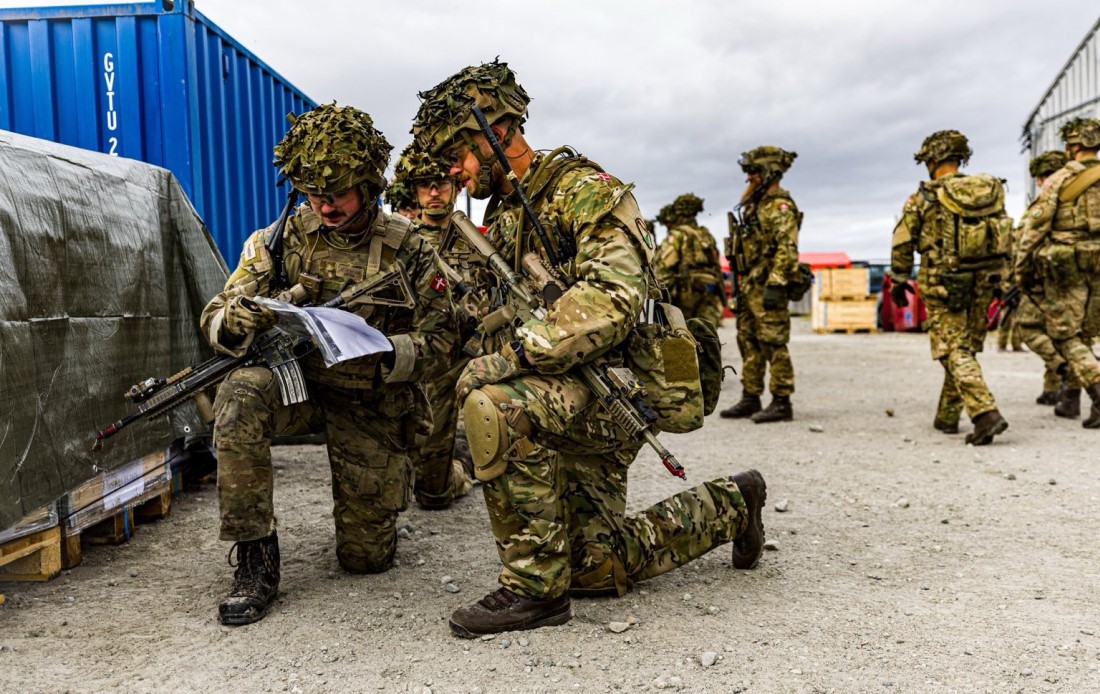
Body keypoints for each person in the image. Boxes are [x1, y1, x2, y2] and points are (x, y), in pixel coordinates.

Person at [411, 60, 767, 639]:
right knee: (597, 569)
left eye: (460, 152)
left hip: (614, 384)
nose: (452, 170)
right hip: (568, 381)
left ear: (498, 133)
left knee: (495, 402)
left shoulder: (584, 190)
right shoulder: (505, 215)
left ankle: (533, 591)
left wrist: (506, 360)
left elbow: (612, 300)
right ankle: (733, 503)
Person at [201, 104, 457, 625]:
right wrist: (239, 318)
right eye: (314, 193)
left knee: (366, 561)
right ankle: (255, 557)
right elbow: (215, 314)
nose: (325, 205)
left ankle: (450, 476)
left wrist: (388, 355)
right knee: (240, 394)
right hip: (298, 389)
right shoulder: (280, 240)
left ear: (368, 185)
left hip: (369, 397)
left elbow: (445, 339)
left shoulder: (409, 249)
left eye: (337, 192)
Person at [1013, 117, 1100, 428]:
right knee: (1086, 332)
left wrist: (1022, 268)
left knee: (1065, 334)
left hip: (1065, 265)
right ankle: (1070, 401)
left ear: (1072, 146)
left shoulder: (1060, 178)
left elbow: (1035, 227)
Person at [889, 130, 1011, 445]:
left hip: (943, 283)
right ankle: (946, 417)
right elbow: (1005, 238)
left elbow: (902, 241)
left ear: (931, 160)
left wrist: (900, 280)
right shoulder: (988, 192)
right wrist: (1005, 281)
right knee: (964, 347)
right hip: (985, 281)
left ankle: (985, 414)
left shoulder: (925, 196)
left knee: (953, 349)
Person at [393, 144, 480, 509]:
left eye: (441, 183)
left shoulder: (481, 242)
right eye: (424, 185)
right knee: (428, 492)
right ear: (413, 190)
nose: (433, 193)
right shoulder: (399, 243)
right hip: (416, 367)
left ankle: (467, 461)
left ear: (456, 186)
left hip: (466, 362)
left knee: (433, 496)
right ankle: (456, 458)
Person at [719, 145, 801, 423]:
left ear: (769, 172)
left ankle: (781, 401)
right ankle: (750, 397)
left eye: (754, 172)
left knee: (773, 343)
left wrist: (776, 284)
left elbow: (786, 248)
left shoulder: (780, 205)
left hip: (768, 284)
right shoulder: (755, 206)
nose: (749, 177)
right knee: (749, 341)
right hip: (750, 283)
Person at [1014, 150, 1070, 404]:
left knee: (1028, 328)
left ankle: (1060, 369)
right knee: (1061, 332)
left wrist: (1019, 273)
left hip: (1041, 278)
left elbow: (1023, 239)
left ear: (1039, 179)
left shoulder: (1043, 203)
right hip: (1072, 276)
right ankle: (1054, 389)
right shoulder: (1075, 202)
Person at [652, 193, 725, 327]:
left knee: (684, 339)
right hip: (709, 293)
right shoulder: (706, 234)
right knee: (706, 334)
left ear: (678, 212)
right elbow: (716, 265)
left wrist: (656, 297)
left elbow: (664, 269)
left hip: (686, 296)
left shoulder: (678, 235)